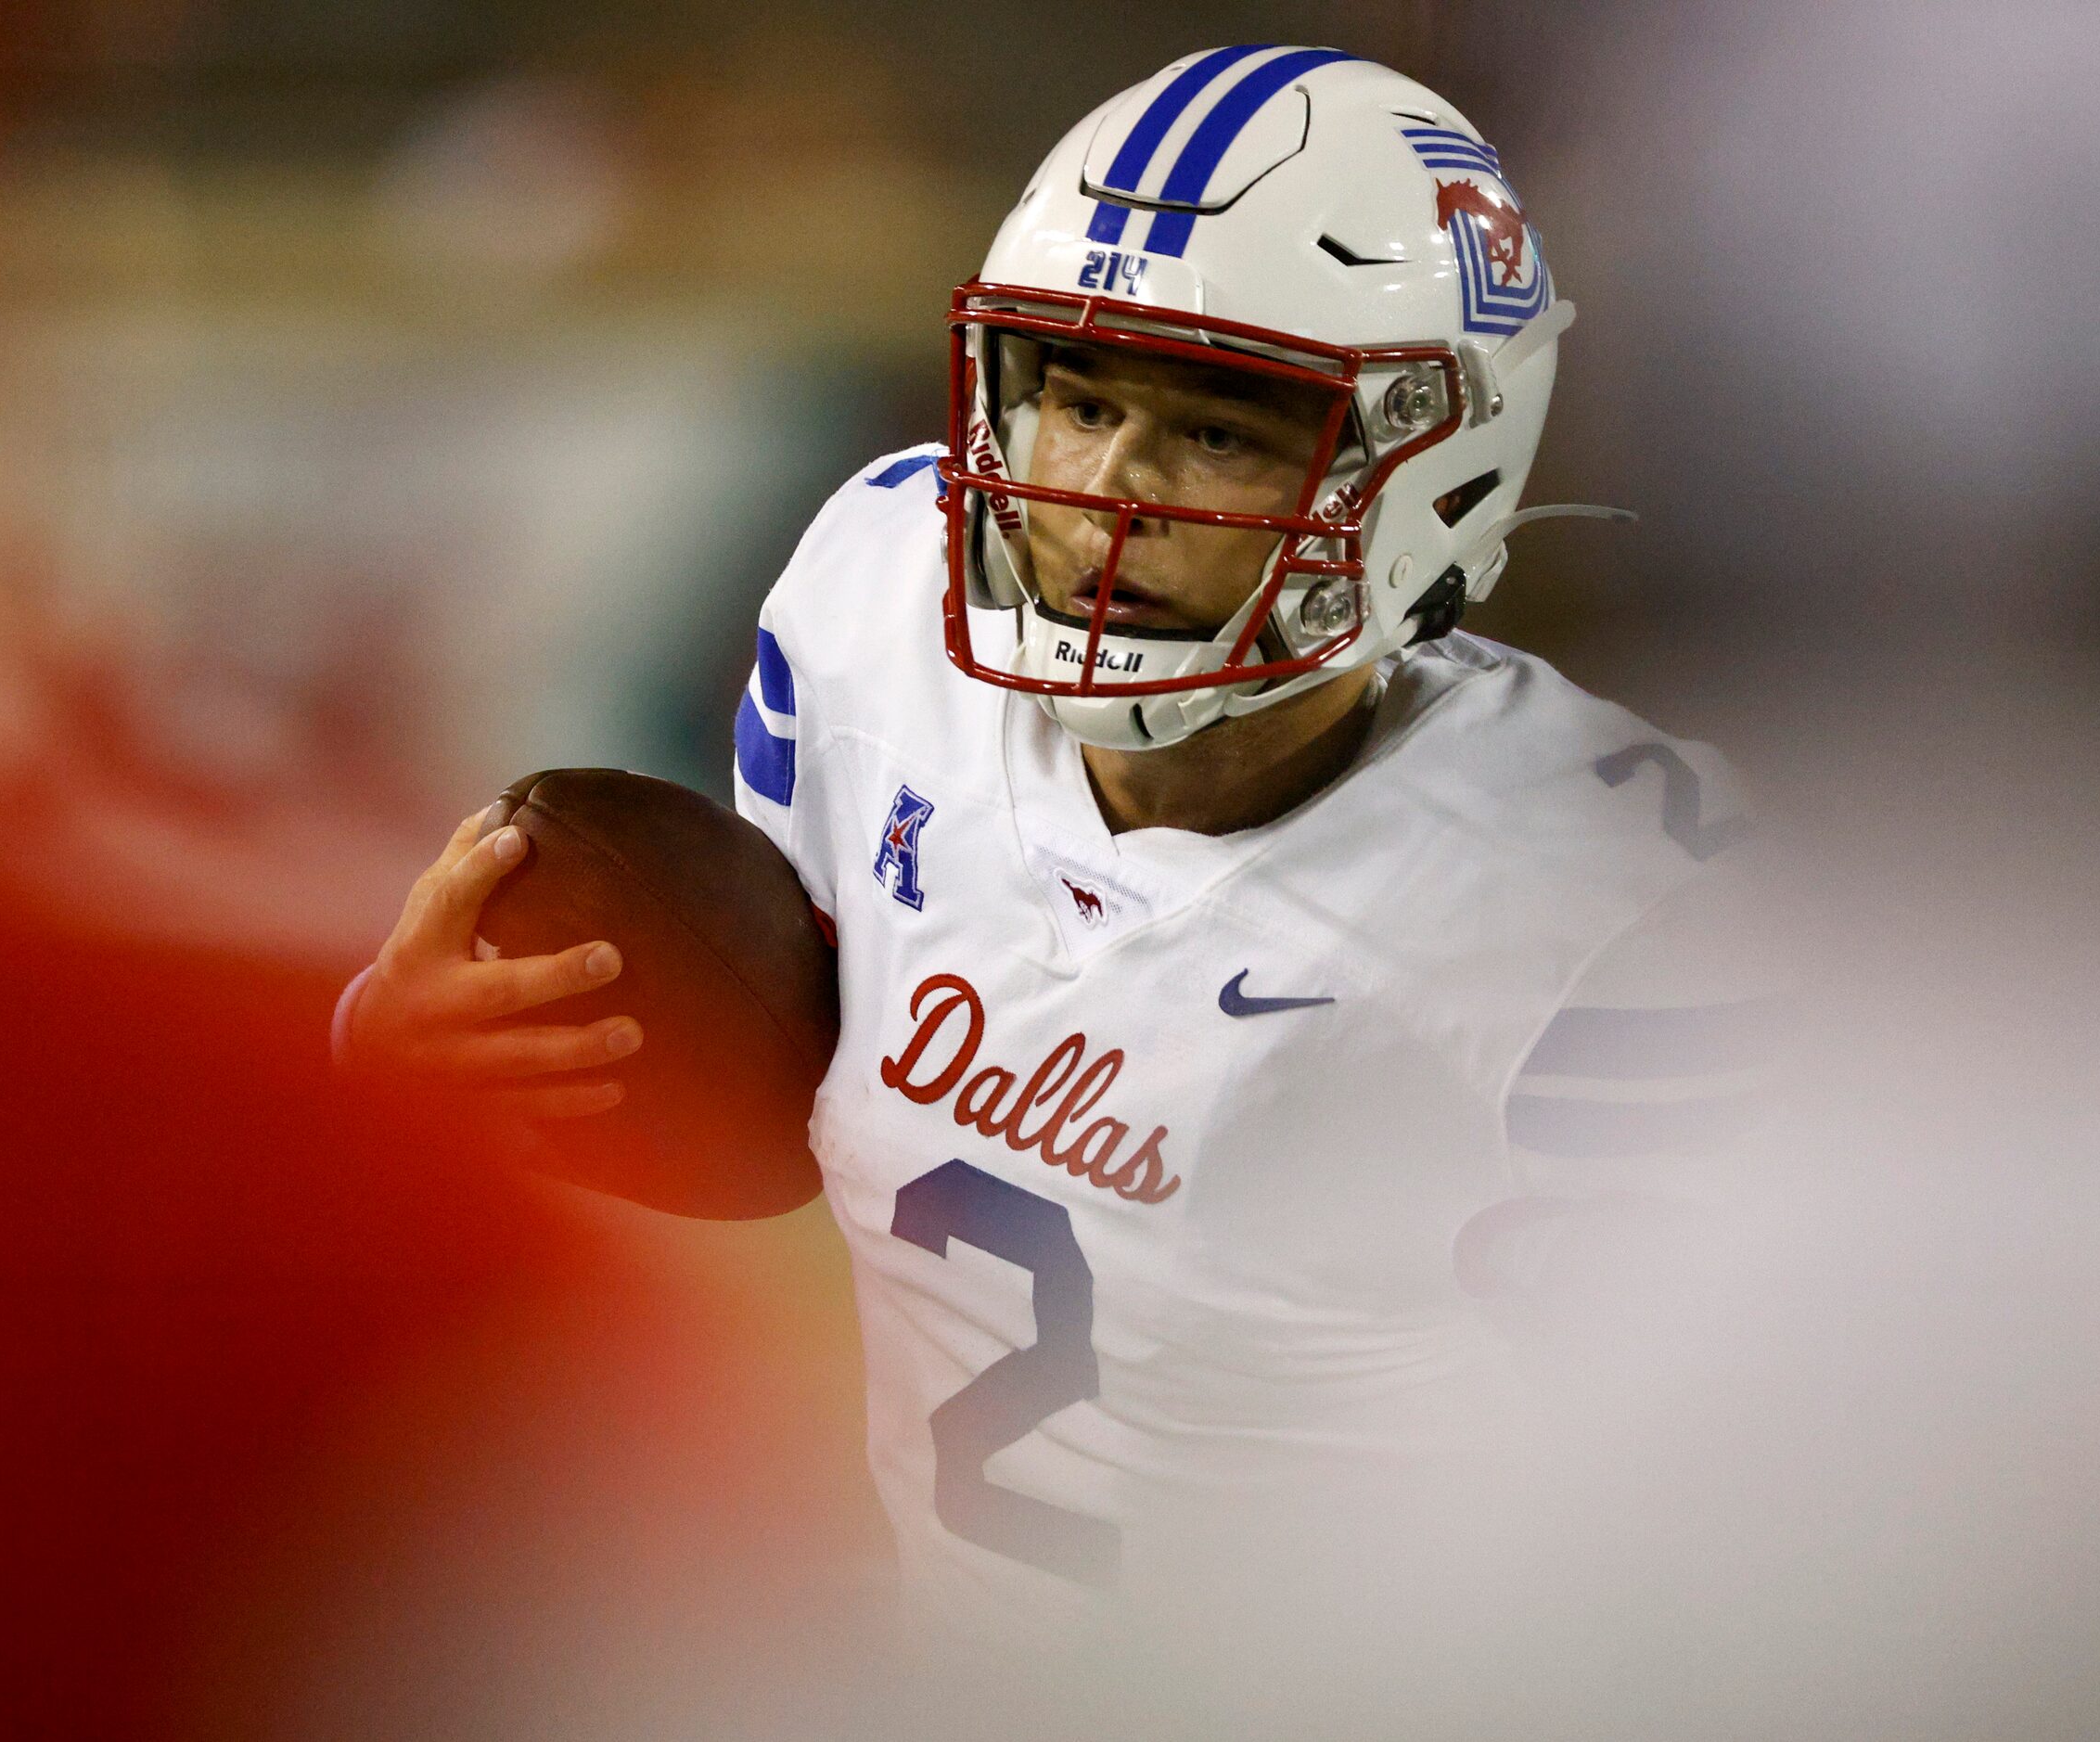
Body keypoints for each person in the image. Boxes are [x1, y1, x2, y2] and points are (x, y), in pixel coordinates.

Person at [339, 48, 1768, 1644]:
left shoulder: (1600, 902)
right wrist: (425, 1066)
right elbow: (752, 1072)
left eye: (1218, 434)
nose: (1106, 493)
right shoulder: (875, 604)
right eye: (1081, 398)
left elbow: (1775, 1527)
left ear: (1431, 468)